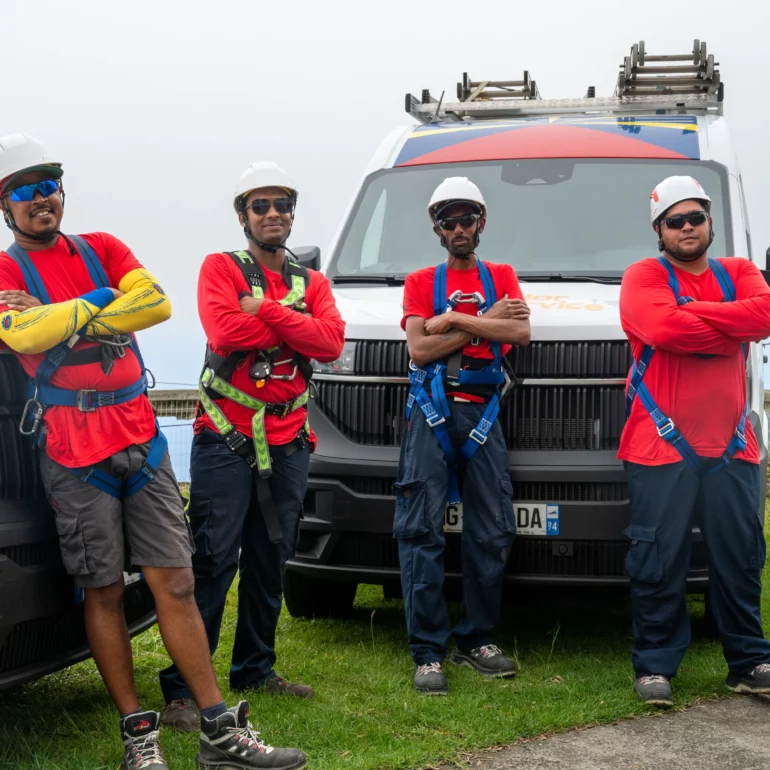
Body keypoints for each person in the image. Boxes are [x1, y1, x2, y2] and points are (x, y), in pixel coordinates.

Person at [0, 134, 306, 770]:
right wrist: (107, 303)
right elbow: (20, 331)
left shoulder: (104, 247)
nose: (40, 198)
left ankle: (217, 729)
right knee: (103, 590)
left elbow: (158, 304)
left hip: (140, 437)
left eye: (48, 183)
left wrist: (66, 313)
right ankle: (139, 737)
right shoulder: (5, 273)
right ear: (5, 206)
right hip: (74, 448)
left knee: (176, 578)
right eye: (22, 190)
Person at [159, 162, 345, 726]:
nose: (272, 215)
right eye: (260, 207)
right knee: (213, 560)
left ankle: (256, 668)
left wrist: (263, 309)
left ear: (291, 214)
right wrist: (295, 322)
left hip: (289, 439)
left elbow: (331, 342)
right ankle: (186, 686)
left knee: (272, 557)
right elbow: (224, 332)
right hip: (227, 436)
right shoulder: (220, 268)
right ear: (243, 216)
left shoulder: (313, 282)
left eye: (281, 205)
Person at [619, 175, 770, 707]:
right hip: (659, 446)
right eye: (675, 221)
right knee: (658, 560)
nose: (687, 228)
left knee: (741, 556)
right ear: (659, 231)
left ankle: (750, 661)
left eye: (695, 218)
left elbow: (767, 315)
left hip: (732, 448)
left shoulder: (739, 271)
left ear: (710, 222)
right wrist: (735, 327)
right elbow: (661, 329)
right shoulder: (643, 275)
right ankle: (655, 666)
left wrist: (696, 314)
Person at [396, 176, 531, 695]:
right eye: (448, 220)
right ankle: (428, 652)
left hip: (484, 413)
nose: (459, 228)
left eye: (466, 218)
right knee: (420, 529)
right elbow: (419, 352)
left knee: (494, 528)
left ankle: (476, 638)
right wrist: (483, 321)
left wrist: (451, 318)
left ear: (481, 222)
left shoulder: (502, 275)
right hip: (431, 410)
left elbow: (518, 333)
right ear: (436, 228)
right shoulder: (418, 282)